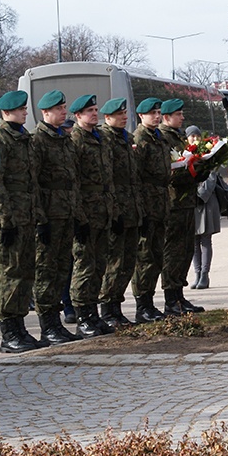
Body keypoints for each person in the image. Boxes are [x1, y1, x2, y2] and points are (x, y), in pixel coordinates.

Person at [0, 90, 47, 353]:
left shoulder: (23, 138)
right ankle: (8, 333)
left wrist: (38, 217)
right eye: (20, 110)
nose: (25, 113)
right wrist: (6, 220)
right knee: (9, 273)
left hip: (26, 216)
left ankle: (19, 328)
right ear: (7, 112)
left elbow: (32, 182)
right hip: (8, 220)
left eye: (24, 109)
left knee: (24, 273)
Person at [30, 90, 84, 345]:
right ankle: (47, 325)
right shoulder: (38, 141)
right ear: (45, 113)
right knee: (46, 273)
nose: (65, 112)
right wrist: (41, 220)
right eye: (60, 108)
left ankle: (57, 325)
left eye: (64, 107)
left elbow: (72, 183)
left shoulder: (63, 139)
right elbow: (34, 184)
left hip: (66, 215)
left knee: (62, 270)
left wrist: (77, 215)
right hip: (49, 217)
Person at [69, 94, 116, 338]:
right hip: (86, 212)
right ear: (78, 116)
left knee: (99, 266)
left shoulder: (99, 138)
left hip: (103, 210)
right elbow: (74, 182)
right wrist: (78, 217)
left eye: (96, 109)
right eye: (90, 111)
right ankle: (82, 317)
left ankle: (93, 314)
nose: (94, 114)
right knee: (84, 267)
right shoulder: (75, 140)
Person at [158, 98, 207, 315]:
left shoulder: (178, 137)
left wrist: (202, 167)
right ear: (167, 117)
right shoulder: (163, 139)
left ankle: (179, 295)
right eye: (178, 114)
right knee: (174, 251)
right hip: (173, 202)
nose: (183, 118)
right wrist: (189, 172)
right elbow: (169, 172)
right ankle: (170, 299)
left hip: (186, 201)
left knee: (186, 250)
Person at [99, 97, 144, 327]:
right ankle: (107, 309)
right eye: (119, 114)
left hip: (131, 209)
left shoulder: (126, 139)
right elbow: (109, 180)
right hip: (116, 210)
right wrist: (113, 212)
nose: (124, 116)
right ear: (107, 118)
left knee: (127, 262)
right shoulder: (106, 139)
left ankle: (116, 308)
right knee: (114, 263)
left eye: (125, 113)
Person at [131, 97, 169, 323]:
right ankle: (141, 304)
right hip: (147, 203)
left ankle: (150, 302)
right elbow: (136, 177)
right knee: (144, 257)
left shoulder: (159, 138)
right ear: (141, 116)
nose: (156, 116)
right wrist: (141, 210)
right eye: (152, 113)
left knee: (156, 256)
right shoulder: (140, 139)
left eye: (158, 112)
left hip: (161, 203)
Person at [188, 125, 221, 290]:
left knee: (205, 240)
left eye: (196, 135)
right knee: (194, 241)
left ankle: (205, 275)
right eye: (191, 136)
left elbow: (211, 177)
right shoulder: (185, 155)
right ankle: (197, 273)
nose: (194, 138)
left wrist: (200, 195)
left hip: (205, 202)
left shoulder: (208, 155)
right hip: (191, 203)